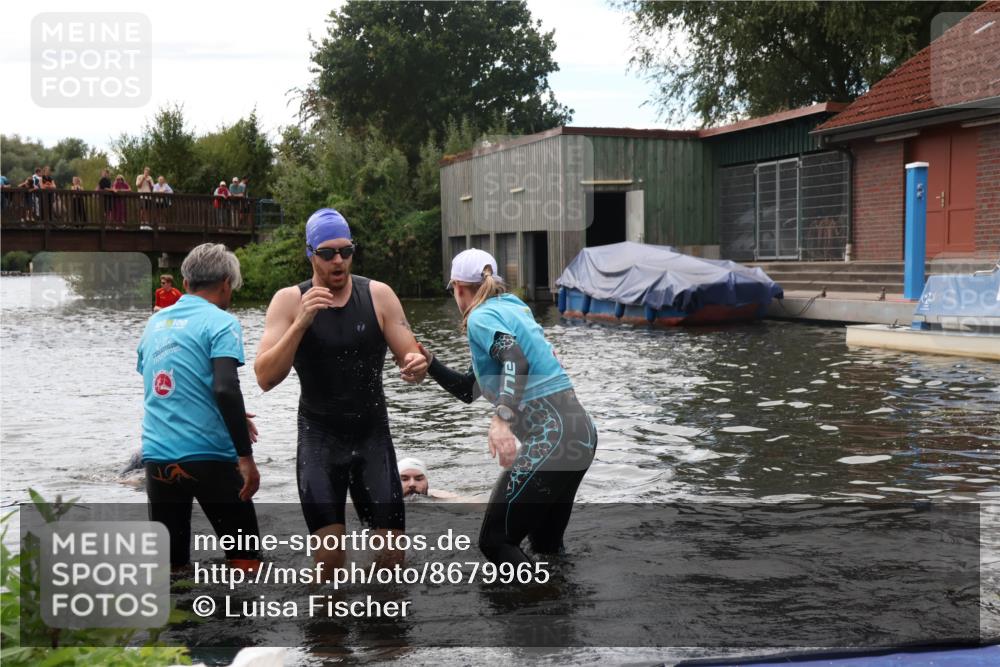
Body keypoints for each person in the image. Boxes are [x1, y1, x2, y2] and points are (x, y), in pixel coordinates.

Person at [254, 208, 428, 573]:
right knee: (331, 564)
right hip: (320, 442)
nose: (339, 261)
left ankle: (383, 629)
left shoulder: (378, 295)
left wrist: (416, 365)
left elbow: (410, 355)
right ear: (310, 254)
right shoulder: (288, 301)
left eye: (346, 251)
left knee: (393, 561)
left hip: (372, 439)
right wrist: (301, 323)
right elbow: (265, 378)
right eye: (328, 253)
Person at [418, 249, 597, 565]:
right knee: (544, 547)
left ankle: (526, 606)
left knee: (495, 541)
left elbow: (516, 360)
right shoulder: (513, 309)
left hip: (552, 437)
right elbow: (468, 389)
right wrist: (431, 363)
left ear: (458, 287)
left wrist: (502, 418)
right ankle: (558, 607)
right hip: (579, 434)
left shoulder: (480, 317)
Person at [136, 243, 261, 572]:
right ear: (225, 283)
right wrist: (245, 457)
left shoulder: (154, 324)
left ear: (185, 280)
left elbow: (166, 385)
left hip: (158, 458)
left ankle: (177, 625)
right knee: (246, 563)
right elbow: (225, 387)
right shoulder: (221, 322)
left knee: (171, 570)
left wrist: (228, 411)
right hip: (210, 459)